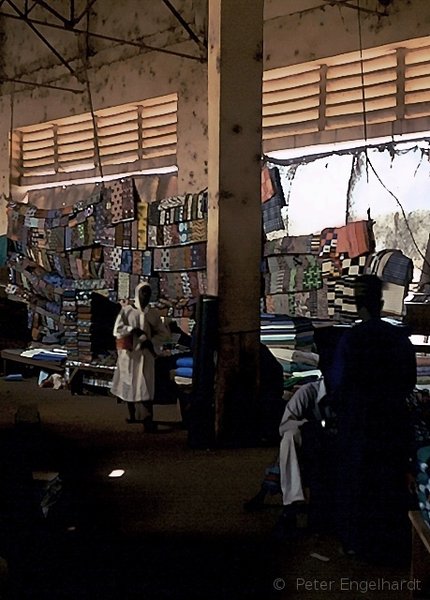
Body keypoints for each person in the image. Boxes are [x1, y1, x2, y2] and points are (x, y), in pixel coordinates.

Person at [331, 274, 417, 565]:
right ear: (380, 303)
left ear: (357, 305)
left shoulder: (350, 340)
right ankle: (391, 542)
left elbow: (339, 383)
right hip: (392, 421)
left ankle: (358, 544)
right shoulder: (398, 339)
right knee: (389, 479)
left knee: (357, 481)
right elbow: (409, 381)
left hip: (359, 423)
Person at [111, 282, 168, 432]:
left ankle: (147, 420)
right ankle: (133, 415)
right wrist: (133, 330)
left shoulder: (153, 313)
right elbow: (117, 330)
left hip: (145, 354)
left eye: (148, 293)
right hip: (130, 355)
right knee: (130, 384)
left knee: (145, 387)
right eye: (143, 293)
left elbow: (163, 334)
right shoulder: (127, 311)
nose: (146, 296)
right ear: (137, 294)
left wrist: (151, 342)